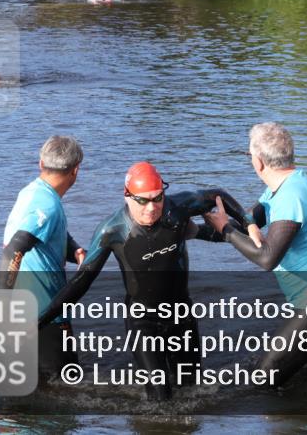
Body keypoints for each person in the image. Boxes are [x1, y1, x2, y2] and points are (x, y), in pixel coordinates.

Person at [37, 161, 260, 400]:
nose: (151, 208)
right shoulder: (111, 231)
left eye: (157, 198)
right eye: (143, 200)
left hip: (181, 315)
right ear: (127, 196)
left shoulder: (178, 208)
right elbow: (80, 282)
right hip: (143, 322)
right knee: (160, 397)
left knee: (192, 391)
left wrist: (250, 223)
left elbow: (218, 195)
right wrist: (39, 322)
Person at [203, 122, 307, 385]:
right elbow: (246, 222)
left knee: (264, 379)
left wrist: (226, 231)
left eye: (249, 155)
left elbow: (267, 258)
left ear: (258, 162)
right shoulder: (285, 187)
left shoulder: (291, 195)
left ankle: (285, 421)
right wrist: (194, 231)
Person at [0, 136, 86, 380]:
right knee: (66, 388)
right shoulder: (47, 205)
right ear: (76, 170)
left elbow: (43, 233)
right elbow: (14, 250)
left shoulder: (33, 192)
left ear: (41, 164)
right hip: (44, 314)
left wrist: (75, 250)